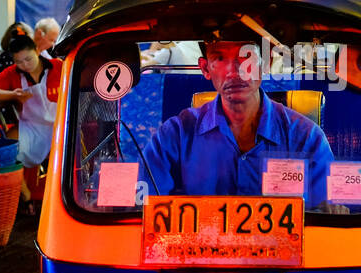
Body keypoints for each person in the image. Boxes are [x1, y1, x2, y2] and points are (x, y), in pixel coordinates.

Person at [143, 26, 335, 209]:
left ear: (265, 62)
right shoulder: (174, 137)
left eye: (247, 57)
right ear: (205, 68)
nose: (234, 72)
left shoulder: (307, 139)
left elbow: (325, 221)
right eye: (219, 58)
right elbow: (143, 210)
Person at [0, 34, 62, 211]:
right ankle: (25, 196)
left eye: (28, 59)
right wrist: (13, 95)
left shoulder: (58, 66)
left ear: (37, 51)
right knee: (6, 150)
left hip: (58, 127)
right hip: (31, 127)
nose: (25, 65)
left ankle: (54, 202)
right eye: (19, 61)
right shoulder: (12, 73)